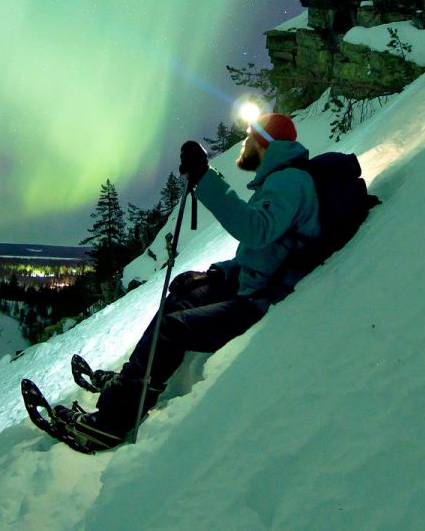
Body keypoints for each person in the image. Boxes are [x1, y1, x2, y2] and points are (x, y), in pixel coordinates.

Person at [54, 112, 320, 449]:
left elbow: (256, 230)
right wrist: (216, 272)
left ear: (265, 143)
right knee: (181, 295)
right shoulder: (282, 180)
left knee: (173, 330)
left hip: (259, 300)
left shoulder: (289, 182)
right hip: (250, 283)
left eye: (251, 137)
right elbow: (266, 251)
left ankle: (112, 423)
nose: (246, 143)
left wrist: (206, 178)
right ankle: (131, 382)